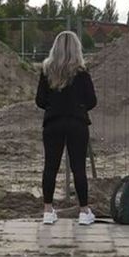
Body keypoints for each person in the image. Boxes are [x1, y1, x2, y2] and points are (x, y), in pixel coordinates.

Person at [35, 30, 97, 225]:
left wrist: (55, 106)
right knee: (79, 167)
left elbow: (40, 100)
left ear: (55, 48)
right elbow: (92, 101)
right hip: (77, 123)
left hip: (53, 123)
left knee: (50, 166)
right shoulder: (82, 72)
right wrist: (78, 107)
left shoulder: (46, 71)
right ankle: (84, 212)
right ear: (76, 49)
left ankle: (47, 210)